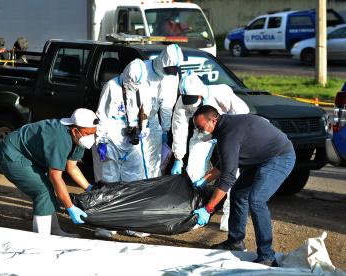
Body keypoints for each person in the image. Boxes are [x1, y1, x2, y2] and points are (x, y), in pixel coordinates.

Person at [192, 105, 296, 267]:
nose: (199, 131)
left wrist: (208, 208)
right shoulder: (225, 128)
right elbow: (226, 163)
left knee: (256, 200)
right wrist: (204, 179)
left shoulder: (228, 133)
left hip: (280, 156)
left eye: (200, 127)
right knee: (239, 194)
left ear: (213, 120)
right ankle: (235, 242)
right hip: (261, 158)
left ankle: (267, 255)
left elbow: (228, 178)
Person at [0, 108, 98, 236]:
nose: (91, 137)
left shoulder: (79, 139)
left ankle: (54, 231)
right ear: (74, 130)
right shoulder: (59, 138)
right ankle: (42, 239)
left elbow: (72, 167)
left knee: (47, 190)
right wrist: (70, 207)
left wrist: (89, 188)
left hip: (31, 155)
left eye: (93, 133)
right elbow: (55, 176)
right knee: (43, 190)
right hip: (12, 153)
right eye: (88, 133)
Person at [170, 71, 249, 231]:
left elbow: (243, 112)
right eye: (187, 100)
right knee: (192, 172)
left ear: (201, 93)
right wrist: (178, 157)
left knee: (232, 174)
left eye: (194, 100)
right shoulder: (182, 102)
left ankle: (230, 216)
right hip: (202, 134)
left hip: (226, 132)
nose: (190, 104)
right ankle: (195, 212)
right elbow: (179, 127)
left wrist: (232, 133)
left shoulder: (221, 92)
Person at [125, 44, 183, 179]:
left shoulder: (172, 76)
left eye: (173, 70)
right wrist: (133, 124)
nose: (170, 72)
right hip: (135, 120)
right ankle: (135, 188)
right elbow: (130, 97)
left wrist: (165, 129)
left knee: (155, 158)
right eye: (168, 69)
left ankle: (153, 185)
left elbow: (167, 104)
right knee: (135, 158)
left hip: (152, 118)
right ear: (162, 61)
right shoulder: (142, 69)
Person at [92, 59, 148, 184]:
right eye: (133, 83)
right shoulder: (112, 87)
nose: (135, 86)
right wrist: (101, 140)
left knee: (134, 175)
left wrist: (143, 129)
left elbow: (144, 112)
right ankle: (108, 202)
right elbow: (102, 116)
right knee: (108, 177)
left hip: (130, 138)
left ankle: (130, 202)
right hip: (111, 136)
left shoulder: (143, 87)